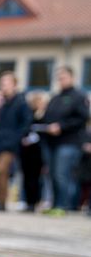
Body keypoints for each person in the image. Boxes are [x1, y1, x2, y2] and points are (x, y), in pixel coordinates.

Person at [41, 66, 90, 216]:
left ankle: (64, 205)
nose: (61, 80)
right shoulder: (56, 98)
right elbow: (47, 116)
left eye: (63, 77)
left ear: (71, 77)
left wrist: (61, 126)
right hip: (52, 142)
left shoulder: (78, 96)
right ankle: (55, 204)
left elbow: (82, 118)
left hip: (69, 142)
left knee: (63, 174)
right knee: (53, 174)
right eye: (59, 78)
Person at [0, 71, 32, 211]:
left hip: (10, 144)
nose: (3, 86)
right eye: (1, 83)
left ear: (14, 84)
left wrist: (15, 139)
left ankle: (1, 201)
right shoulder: (3, 104)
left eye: (5, 83)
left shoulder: (20, 102)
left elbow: (26, 123)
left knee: (0, 169)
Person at [20, 93, 46, 212]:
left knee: (35, 178)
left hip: (38, 152)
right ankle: (28, 201)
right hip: (27, 151)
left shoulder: (44, 115)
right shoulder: (28, 115)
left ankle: (34, 201)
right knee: (27, 177)